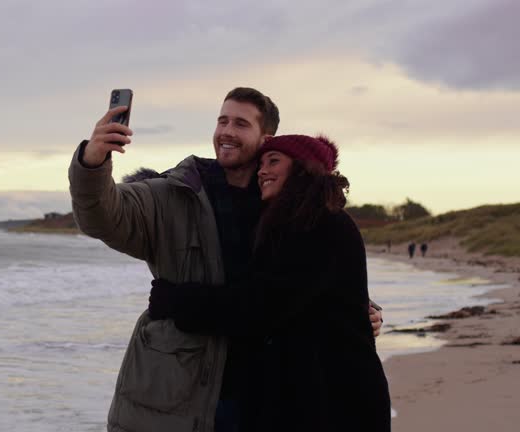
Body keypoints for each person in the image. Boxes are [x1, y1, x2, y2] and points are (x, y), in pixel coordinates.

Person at [68, 88, 383, 432]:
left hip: (267, 399)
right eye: (222, 120)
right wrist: (93, 161)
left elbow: (298, 285)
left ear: (266, 139)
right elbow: (101, 216)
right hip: (177, 394)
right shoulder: (173, 194)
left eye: (241, 123)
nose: (227, 131)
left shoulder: (288, 208)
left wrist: (358, 309)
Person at [149, 134, 391, 430]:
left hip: (335, 401)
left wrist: (175, 301)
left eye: (274, 161)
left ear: (303, 169)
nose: (262, 170)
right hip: (312, 396)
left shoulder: (320, 224)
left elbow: (258, 307)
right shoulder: (291, 221)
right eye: (261, 163)